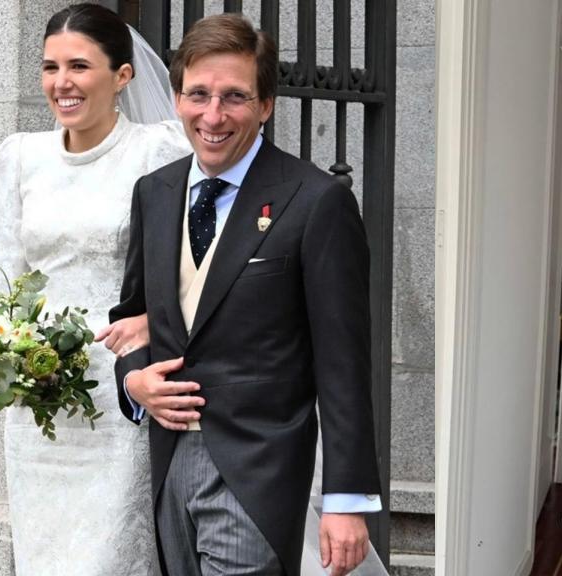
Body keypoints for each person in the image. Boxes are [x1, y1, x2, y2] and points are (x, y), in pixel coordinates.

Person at [109, 13, 383, 576]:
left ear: (265, 105)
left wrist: (346, 500)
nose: (213, 115)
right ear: (178, 96)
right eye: (199, 95)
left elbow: (343, 362)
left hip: (259, 474)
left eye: (234, 97)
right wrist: (135, 381)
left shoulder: (316, 202)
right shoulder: (154, 193)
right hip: (168, 466)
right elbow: (132, 316)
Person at [0, 3, 190, 574]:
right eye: (50, 67)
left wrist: (155, 321)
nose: (62, 83)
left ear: (123, 76)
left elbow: (203, 268)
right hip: (37, 402)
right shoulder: (19, 157)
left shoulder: (158, 151)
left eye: (79, 65)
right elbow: (0, 284)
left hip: (121, 389)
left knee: (110, 556)